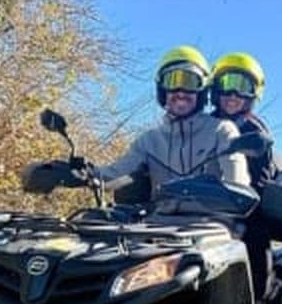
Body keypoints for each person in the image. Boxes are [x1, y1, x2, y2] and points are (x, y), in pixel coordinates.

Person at [96, 45, 250, 194]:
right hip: (157, 218)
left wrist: (231, 195)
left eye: (189, 82)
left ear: (202, 91)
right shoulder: (148, 141)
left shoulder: (222, 131)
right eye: (172, 81)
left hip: (211, 218)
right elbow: (114, 174)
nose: (181, 92)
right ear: (162, 90)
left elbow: (237, 184)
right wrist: (86, 174)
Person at [211, 52, 278, 304]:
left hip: (245, 205)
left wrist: (238, 206)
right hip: (202, 204)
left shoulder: (255, 131)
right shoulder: (203, 125)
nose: (232, 94)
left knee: (255, 234)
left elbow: (260, 180)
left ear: (253, 93)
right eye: (226, 84)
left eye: (242, 86)